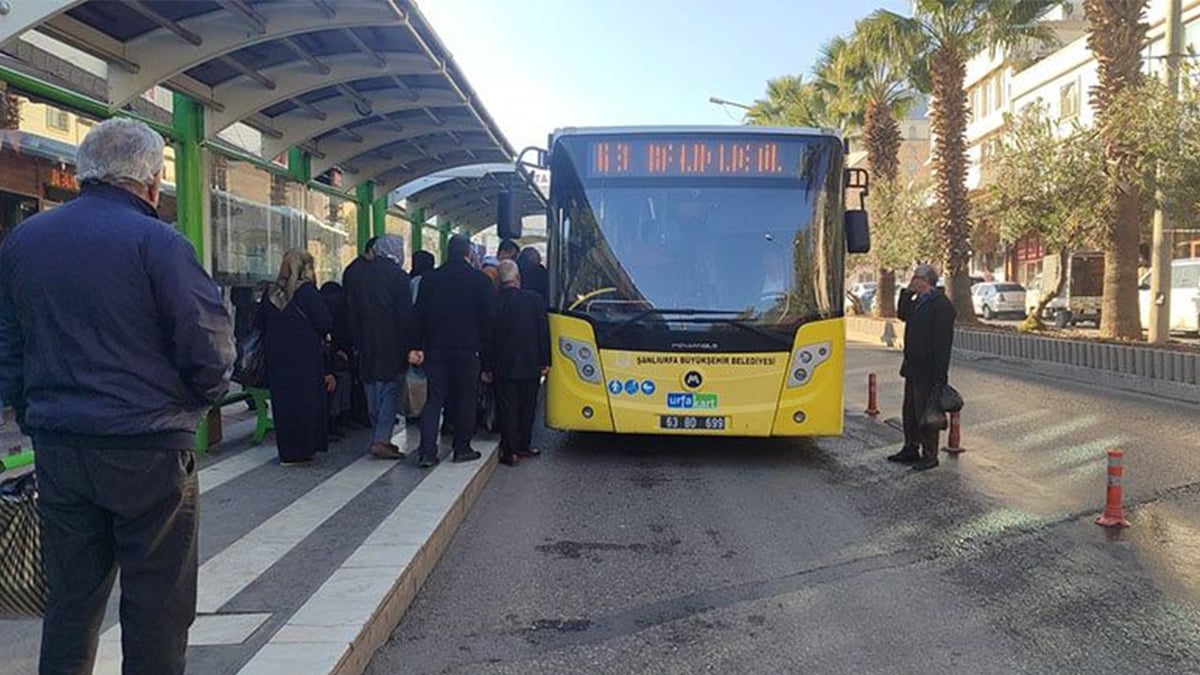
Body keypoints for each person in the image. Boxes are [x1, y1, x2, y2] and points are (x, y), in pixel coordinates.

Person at [0, 118, 234, 675]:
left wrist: (34, 414)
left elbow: (8, 346)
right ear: (151, 182)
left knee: (70, 604)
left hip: (60, 446)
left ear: (84, 172)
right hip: (149, 448)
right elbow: (209, 347)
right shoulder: (160, 243)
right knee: (157, 608)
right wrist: (195, 405)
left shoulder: (25, 241)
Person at [410, 235, 495, 469]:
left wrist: (416, 346)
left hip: (435, 349)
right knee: (466, 399)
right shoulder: (480, 281)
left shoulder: (430, 279)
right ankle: (462, 448)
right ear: (468, 253)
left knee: (434, 399)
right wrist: (487, 359)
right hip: (468, 350)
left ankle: (427, 453)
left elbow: (418, 315)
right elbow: (488, 321)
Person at [259, 250, 334, 465]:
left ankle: (288, 451)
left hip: (277, 358)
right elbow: (324, 322)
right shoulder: (306, 292)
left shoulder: (272, 292)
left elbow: (260, 322)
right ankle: (303, 449)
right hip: (304, 359)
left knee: (283, 404)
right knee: (305, 403)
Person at [345, 235, 413, 460]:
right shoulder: (398, 276)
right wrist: (410, 345)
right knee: (390, 389)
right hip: (391, 342)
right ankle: (381, 439)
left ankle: (378, 434)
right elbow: (405, 316)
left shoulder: (356, 272)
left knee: (371, 388)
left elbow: (350, 308)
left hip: (364, 341)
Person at [888, 264, 956, 471]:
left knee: (926, 413)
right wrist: (907, 293)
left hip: (928, 370)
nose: (912, 281)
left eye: (915, 278)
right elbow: (902, 314)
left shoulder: (940, 304)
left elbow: (943, 342)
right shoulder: (918, 300)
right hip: (913, 367)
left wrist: (940, 375)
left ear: (925, 280)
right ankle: (910, 447)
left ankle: (929, 454)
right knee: (910, 411)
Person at [485, 261, 550, 466]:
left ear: (499, 280)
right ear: (518, 278)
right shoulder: (535, 300)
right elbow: (543, 332)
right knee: (527, 407)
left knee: (507, 409)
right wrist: (545, 360)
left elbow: (488, 338)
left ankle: (510, 451)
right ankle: (524, 446)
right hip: (530, 364)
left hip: (503, 366)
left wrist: (486, 366)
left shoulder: (493, 302)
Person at [319, 281, 354, 439]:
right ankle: (339, 418)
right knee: (341, 379)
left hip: (327, 357)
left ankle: (336, 419)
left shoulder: (323, 304)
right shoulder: (338, 305)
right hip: (328, 360)